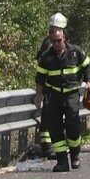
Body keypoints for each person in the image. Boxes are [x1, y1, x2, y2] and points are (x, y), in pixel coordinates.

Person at [34, 26, 90, 172]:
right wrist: (39, 94)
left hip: (71, 94)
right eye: (53, 41)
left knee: (73, 127)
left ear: (64, 37)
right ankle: (62, 161)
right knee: (55, 128)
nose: (55, 44)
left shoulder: (75, 52)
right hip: (53, 95)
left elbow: (87, 67)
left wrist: (89, 82)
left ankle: (74, 155)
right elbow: (40, 78)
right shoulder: (47, 56)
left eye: (58, 41)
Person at [34, 13, 69, 157]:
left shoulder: (48, 41)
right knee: (49, 118)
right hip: (51, 87)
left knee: (50, 118)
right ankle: (48, 147)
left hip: (52, 86)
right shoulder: (51, 43)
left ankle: (49, 146)